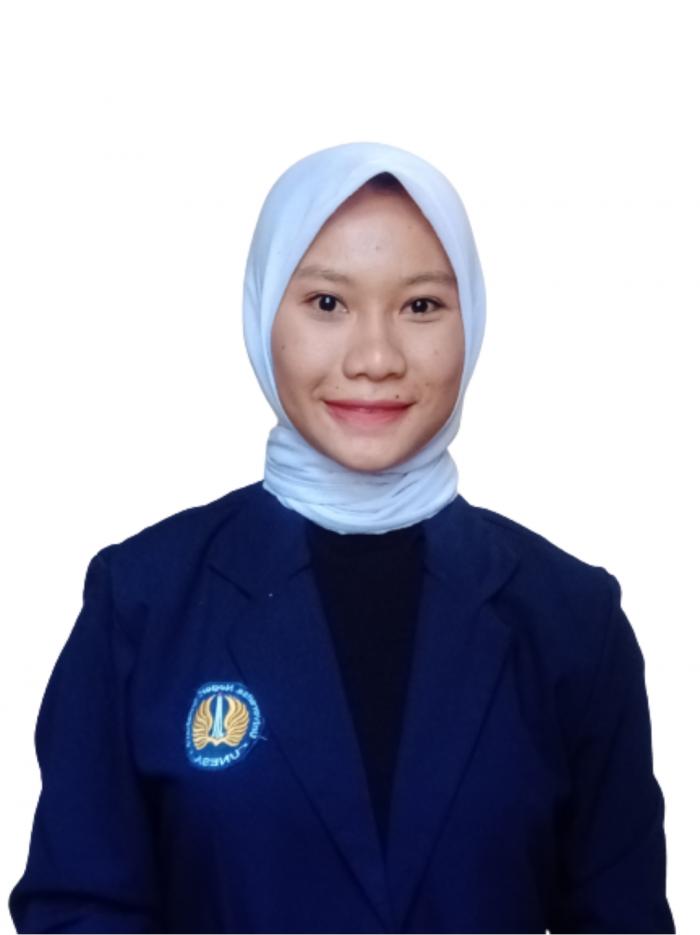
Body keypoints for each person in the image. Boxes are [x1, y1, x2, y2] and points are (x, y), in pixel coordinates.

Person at [8, 141, 675, 934]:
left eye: (421, 306)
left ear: (473, 317)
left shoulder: (572, 619)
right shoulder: (143, 602)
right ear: (263, 311)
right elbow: (79, 908)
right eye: (328, 303)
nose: (375, 358)